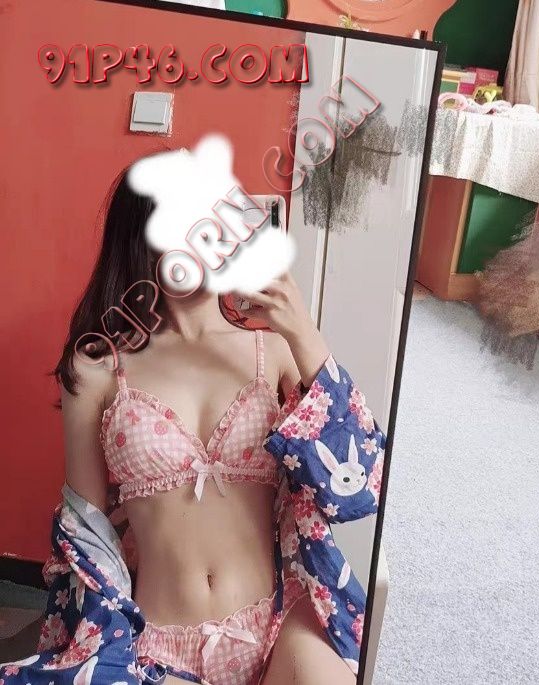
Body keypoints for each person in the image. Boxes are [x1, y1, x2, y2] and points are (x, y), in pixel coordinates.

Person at [0, 165, 384, 685]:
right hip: (157, 646)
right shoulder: (97, 369)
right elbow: (86, 534)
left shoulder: (274, 351)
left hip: (277, 629)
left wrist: (303, 331)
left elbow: (359, 484)